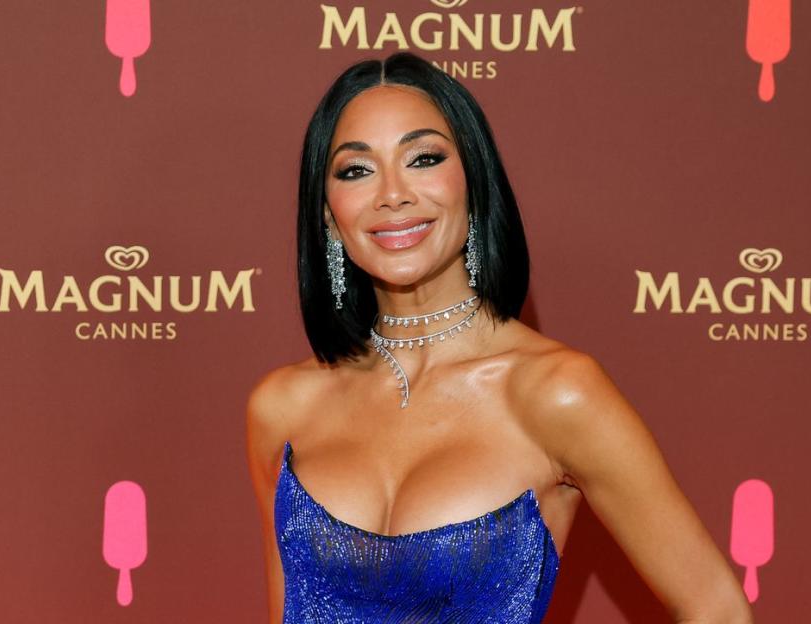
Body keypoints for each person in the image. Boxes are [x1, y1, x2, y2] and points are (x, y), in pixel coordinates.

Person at [246, 51, 753, 624]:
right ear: (328, 215)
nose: (392, 193)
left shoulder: (556, 393)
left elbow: (717, 607)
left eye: (424, 158)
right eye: (356, 170)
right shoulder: (283, 408)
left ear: (474, 181)